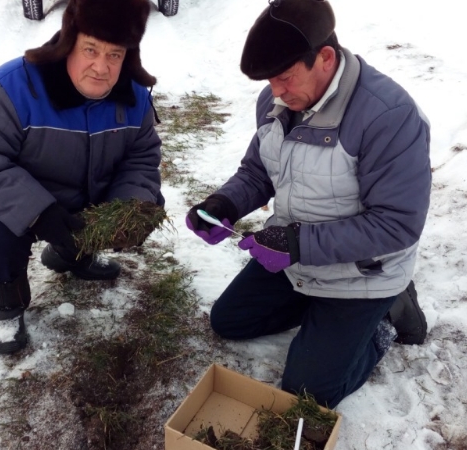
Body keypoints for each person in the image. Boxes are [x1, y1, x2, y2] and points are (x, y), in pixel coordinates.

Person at [186, 0, 431, 407]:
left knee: (309, 393)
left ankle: (386, 316)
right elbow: (259, 171)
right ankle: (325, 322)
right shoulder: (277, 102)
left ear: (325, 58)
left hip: (362, 272)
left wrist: (296, 243)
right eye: (270, 81)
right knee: (230, 320)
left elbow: (397, 224)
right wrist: (224, 203)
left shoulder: (388, 116)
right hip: (297, 258)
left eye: (284, 78)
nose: (276, 92)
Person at [0, 0, 164, 355]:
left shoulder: (134, 97)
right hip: (16, 194)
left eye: (115, 55)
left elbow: (141, 158)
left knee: (143, 202)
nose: (101, 67)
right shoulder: (11, 87)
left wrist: (128, 207)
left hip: (82, 189)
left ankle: (72, 254)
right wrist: (37, 212)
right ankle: (5, 306)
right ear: (68, 42)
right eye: (90, 49)